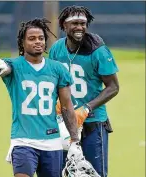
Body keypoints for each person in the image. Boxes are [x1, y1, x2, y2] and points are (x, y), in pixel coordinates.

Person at [0, 18, 84, 177]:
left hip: (52, 142)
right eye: (31, 38)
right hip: (23, 140)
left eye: (41, 38)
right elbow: (5, 67)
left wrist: (75, 140)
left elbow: (67, 106)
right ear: (22, 42)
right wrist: (4, 68)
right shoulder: (15, 65)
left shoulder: (57, 69)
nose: (37, 42)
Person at [49, 6, 120, 177]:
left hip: (92, 122)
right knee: (66, 172)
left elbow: (113, 87)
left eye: (83, 23)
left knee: (94, 173)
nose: (80, 27)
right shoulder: (57, 49)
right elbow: (52, 82)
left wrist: (87, 108)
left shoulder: (98, 50)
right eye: (74, 23)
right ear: (63, 26)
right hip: (64, 122)